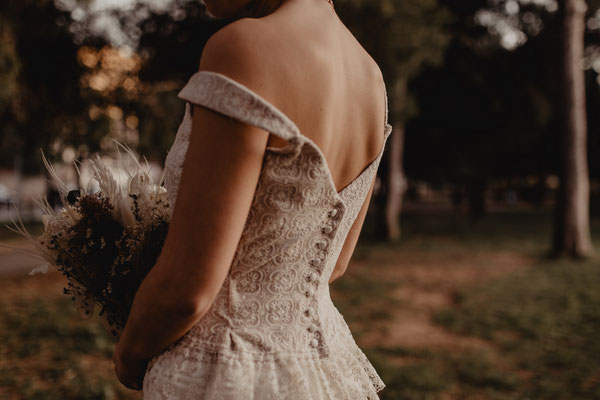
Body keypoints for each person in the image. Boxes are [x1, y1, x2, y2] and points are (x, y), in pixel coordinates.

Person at [113, 0, 393, 398]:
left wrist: (129, 352)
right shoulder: (371, 77)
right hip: (323, 372)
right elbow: (336, 263)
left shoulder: (242, 47)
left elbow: (187, 290)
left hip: (223, 371)